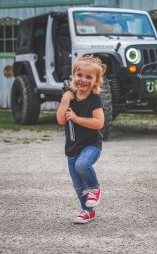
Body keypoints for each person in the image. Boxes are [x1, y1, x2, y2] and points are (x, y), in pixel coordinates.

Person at [56, 55, 106, 224]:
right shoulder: (69, 97)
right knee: (78, 185)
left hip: (91, 146)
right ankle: (88, 212)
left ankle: (95, 188)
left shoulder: (94, 99)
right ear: (73, 76)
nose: (83, 80)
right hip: (72, 147)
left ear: (96, 81)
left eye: (89, 77)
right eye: (79, 75)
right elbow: (61, 120)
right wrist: (64, 100)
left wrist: (77, 119)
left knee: (82, 165)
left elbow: (99, 123)